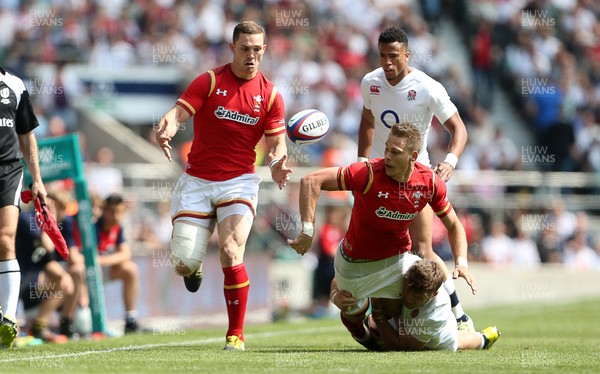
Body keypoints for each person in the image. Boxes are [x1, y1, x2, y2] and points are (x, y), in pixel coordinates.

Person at [155, 20, 292, 351]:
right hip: (198, 180)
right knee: (183, 262)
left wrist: (277, 163)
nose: (251, 56)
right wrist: (168, 127)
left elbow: (278, 143)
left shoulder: (271, 95)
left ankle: (236, 335)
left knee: (231, 251)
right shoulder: (210, 80)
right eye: (245, 49)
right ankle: (194, 265)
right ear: (232, 48)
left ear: (264, 50)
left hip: (239, 182)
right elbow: (177, 113)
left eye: (257, 50)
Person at [288, 123, 476, 348]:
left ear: (413, 156)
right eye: (386, 148)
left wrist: (461, 262)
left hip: (397, 260)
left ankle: (467, 327)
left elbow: (454, 225)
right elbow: (311, 180)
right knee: (352, 308)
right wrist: (307, 231)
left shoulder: (428, 183)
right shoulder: (367, 173)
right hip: (354, 264)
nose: (387, 156)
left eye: (395, 152)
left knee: (420, 309)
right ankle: (362, 332)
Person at [356, 27, 472, 330]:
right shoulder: (370, 82)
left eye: (393, 56)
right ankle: (380, 316)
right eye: (382, 55)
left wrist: (449, 161)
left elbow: (459, 129)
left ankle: (459, 315)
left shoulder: (427, 87)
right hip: (380, 176)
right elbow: (368, 120)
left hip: (415, 178)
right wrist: (361, 164)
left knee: (423, 250)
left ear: (407, 55)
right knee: (372, 246)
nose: (387, 62)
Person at [331, 258, 500, 351]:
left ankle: (484, 338)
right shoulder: (398, 269)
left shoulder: (437, 310)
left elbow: (401, 346)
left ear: (434, 294)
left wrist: (379, 315)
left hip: (433, 335)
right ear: (406, 278)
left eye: (417, 298)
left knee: (456, 341)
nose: (409, 300)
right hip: (400, 319)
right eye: (407, 292)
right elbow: (345, 279)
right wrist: (335, 296)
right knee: (369, 323)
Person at [0, 66, 48, 349]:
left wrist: (38, 179)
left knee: (6, 239)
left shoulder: (15, 84)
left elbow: (27, 135)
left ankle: (8, 317)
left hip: (8, 171)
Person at [16, 196, 74, 343]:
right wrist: (49, 219)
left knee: (69, 278)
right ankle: (38, 327)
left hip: (35, 278)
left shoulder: (64, 223)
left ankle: (63, 326)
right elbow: (47, 246)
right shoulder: (26, 219)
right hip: (22, 278)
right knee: (64, 282)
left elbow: (50, 262)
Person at [95, 193, 142, 334]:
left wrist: (101, 261)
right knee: (83, 325)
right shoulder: (93, 228)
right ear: (104, 211)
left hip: (103, 269)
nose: (116, 216)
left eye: (119, 212)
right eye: (112, 212)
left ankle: (130, 319)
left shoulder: (118, 229)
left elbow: (126, 254)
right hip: (87, 275)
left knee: (131, 269)